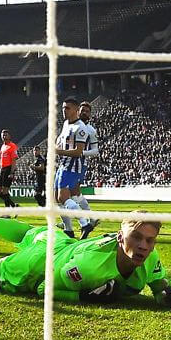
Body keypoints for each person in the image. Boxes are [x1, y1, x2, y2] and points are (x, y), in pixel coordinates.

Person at [0, 204, 171, 308]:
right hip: (40, 263)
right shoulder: (89, 268)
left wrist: (165, 293)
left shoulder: (150, 255)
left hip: (59, 239)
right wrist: (83, 296)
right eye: (136, 237)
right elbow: (44, 288)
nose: (143, 246)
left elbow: (158, 285)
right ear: (120, 237)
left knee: (29, 232)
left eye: (150, 240)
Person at [54, 97, 90, 238]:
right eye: (63, 108)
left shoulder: (80, 127)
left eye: (67, 108)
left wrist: (59, 151)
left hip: (73, 166)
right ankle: (69, 230)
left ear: (76, 110)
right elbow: (61, 140)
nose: (64, 111)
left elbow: (78, 151)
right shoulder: (66, 124)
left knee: (63, 197)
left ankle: (85, 224)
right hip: (63, 164)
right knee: (56, 198)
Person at [73, 101, 100, 239]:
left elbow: (95, 151)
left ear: (90, 114)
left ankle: (82, 223)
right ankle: (90, 218)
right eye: (82, 110)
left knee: (70, 193)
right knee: (73, 194)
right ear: (78, 111)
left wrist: (81, 153)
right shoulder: (72, 127)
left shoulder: (91, 130)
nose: (84, 113)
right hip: (68, 163)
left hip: (79, 163)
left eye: (87, 111)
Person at [0, 128, 19, 208]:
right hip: (2, 169)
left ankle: (7, 211)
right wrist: (0, 170)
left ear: (10, 136)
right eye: (3, 135)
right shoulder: (3, 146)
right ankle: (13, 205)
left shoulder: (12, 146)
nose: (4, 136)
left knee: (5, 192)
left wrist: (12, 173)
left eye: (6, 134)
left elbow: (13, 160)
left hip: (8, 169)